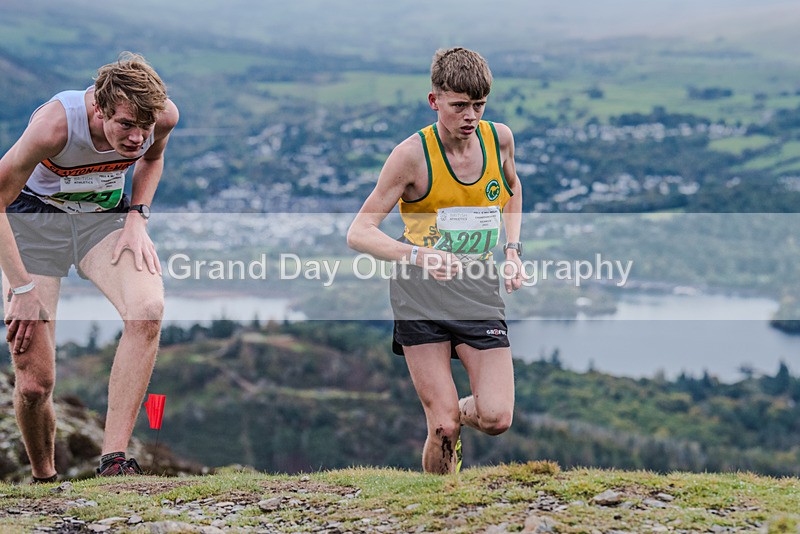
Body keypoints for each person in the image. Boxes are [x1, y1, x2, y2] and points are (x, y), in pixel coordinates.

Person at [0, 52, 179, 480]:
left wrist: (137, 216)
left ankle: (115, 462)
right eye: (126, 126)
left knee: (147, 310)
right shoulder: (56, 126)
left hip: (103, 220)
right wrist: (21, 290)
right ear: (99, 110)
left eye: (145, 126)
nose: (138, 138)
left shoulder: (163, 116)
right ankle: (45, 478)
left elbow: (152, 159)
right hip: (35, 222)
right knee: (33, 385)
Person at [348, 47, 524, 474]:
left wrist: (513, 251)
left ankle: (461, 408)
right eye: (459, 106)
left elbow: (513, 188)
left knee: (497, 417)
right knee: (443, 427)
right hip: (419, 294)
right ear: (434, 101)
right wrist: (418, 255)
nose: (471, 116)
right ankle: (438, 506)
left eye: (479, 105)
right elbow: (358, 232)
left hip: (477, 288)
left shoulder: (498, 138)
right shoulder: (411, 156)